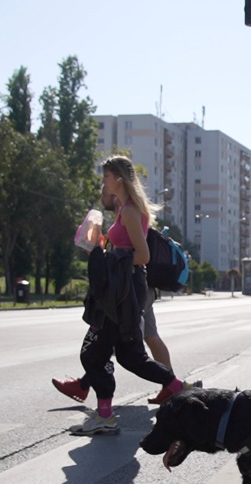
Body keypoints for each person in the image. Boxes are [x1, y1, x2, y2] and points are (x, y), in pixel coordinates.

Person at [68, 156, 184, 436]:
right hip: (123, 289)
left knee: (93, 354)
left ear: (118, 178)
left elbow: (141, 256)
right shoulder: (125, 210)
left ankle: (106, 416)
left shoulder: (131, 211)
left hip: (122, 292)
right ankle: (181, 389)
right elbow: (129, 249)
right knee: (129, 356)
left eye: (106, 176)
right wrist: (104, 247)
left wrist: (107, 258)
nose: (103, 182)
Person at [53, 188, 189, 405]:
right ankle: (173, 387)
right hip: (135, 286)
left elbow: (137, 255)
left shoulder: (128, 214)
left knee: (124, 344)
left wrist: (101, 254)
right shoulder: (123, 215)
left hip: (133, 287)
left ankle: (174, 387)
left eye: (104, 189)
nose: (101, 195)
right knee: (138, 340)